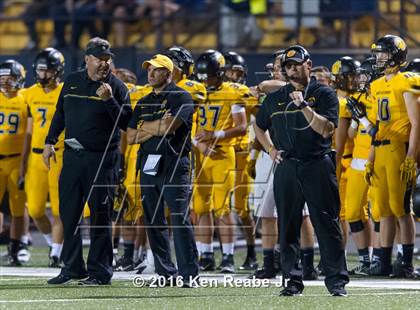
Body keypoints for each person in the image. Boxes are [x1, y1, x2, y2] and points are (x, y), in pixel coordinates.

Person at [254, 45, 349, 296]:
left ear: (308, 64)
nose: (292, 69)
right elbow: (258, 125)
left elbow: (327, 130)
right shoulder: (275, 98)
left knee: (326, 223)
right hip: (286, 166)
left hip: (317, 163)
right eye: (287, 66)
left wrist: (305, 106)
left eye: (296, 64)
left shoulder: (325, 94)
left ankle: (336, 281)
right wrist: (271, 151)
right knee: (287, 225)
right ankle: (291, 281)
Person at [44, 37, 132, 285]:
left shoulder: (117, 87)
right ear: (87, 59)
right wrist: (50, 141)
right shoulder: (72, 81)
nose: (104, 64)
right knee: (69, 213)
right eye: (99, 59)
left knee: (100, 216)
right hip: (72, 157)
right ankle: (73, 268)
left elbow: (126, 124)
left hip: (103, 160)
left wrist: (109, 100)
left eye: (107, 59)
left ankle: (100, 272)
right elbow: (60, 113)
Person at [126, 54, 199, 286]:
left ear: (168, 74)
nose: (150, 73)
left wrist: (147, 128)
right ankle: (165, 272)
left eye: (156, 70)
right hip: (148, 164)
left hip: (174, 164)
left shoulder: (182, 97)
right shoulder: (144, 101)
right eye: (149, 69)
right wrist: (156, 127)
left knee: (179, 219)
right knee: (153, 220)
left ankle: (189, 274)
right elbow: (129, 137)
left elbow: (170, 128)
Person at [366, 35, 420, 277]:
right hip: (379, 149)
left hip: (399, 148)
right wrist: (370, 157)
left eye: (383, 53)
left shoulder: (407, 81)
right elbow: (377, 125)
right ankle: (384, 262)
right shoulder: (377, 85)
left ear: (397, 55)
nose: (378, 57)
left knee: (401, 208)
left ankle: (406, 262)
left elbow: (416, 123)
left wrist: (411, 156)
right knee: (383, 209)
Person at [192, 50, 247, 273]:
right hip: (201, 154)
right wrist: (200, 145)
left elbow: (242, 126)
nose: (205, 80)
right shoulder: (195, 91)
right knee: (200, 208)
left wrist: (216, 136)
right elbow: (189, 126)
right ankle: (205, 254)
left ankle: (227, 257)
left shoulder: (232, 93)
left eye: (209, 75)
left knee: (222, 208)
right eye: (202, 75)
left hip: (223, 154)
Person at [21, 48, 65, 268]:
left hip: (59, 156)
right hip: (36, 157)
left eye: (47, 71)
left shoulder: (66, 91)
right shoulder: (29, 93)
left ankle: (57, 253)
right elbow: (28, 131)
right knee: (36, 210)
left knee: (59, 210)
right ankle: (51, 243)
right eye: (40, 70)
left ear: (57, 71)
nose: (42, 75)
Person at [223, 51, 259, 270]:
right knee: (217, 205)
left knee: (242, 207)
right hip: (217, 151)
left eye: (237, 72)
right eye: (230, 71)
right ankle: (209, 253)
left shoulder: (244, 92)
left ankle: (251, 251)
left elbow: (262, 115)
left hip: (240, 152)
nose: (233, 75)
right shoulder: (213, 91)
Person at [0, 60, 28, 266]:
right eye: (2, 78)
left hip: (17, 159)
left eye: (9, 78)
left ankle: (16, 246)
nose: (5, 82)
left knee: (18, 208)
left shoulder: (25, 99)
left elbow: (30, 134)